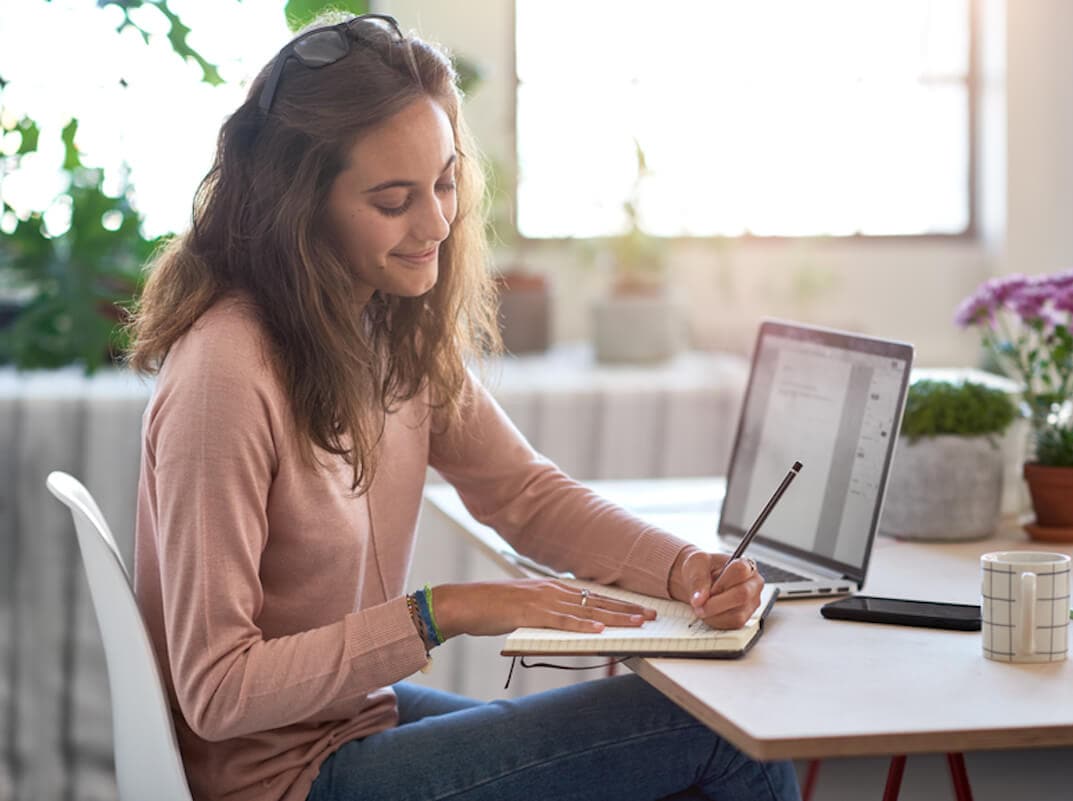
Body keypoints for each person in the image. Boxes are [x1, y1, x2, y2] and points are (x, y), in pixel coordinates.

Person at [128, 12, 802, 801]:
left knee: (690, 732)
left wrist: (684, 568)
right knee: (721, 736)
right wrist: (439, 611)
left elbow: (524, 494)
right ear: (299, 206)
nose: (438, 223)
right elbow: (218, 690)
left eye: (445, 182)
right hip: (282, 781)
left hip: (349, 721)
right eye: (393, 201)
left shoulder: (380, 323)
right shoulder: (225, 373)